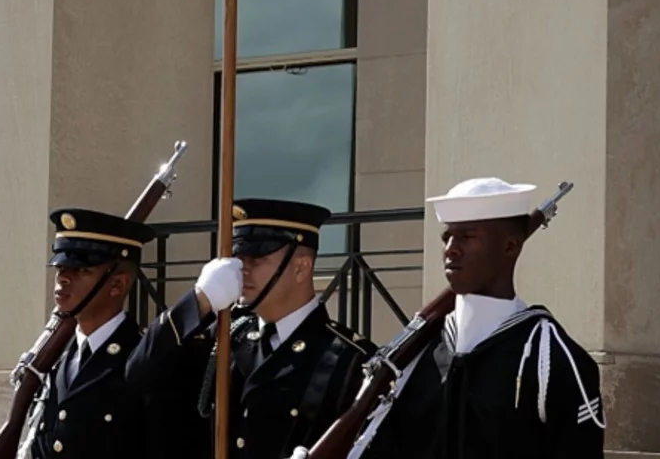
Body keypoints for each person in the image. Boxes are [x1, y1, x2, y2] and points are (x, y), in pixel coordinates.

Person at [350, 177, 600, 459]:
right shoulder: (415, 356)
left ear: (511, 246)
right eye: (447, 237)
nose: (451, 249)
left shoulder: (550, 359)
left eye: (468, 237)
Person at [127, 198, 370, 459]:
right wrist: (198, 302)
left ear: (301, 268)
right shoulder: (224, 339)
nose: (243, 269)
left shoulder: (350, 360)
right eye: (238, 258)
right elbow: (137, 376)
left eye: (257, 258)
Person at [24, 207, 154, 459]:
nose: (63, 277)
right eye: (61, 267)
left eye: (81, 270)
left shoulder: (142, 361)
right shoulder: (55, 357)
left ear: (118, 284)